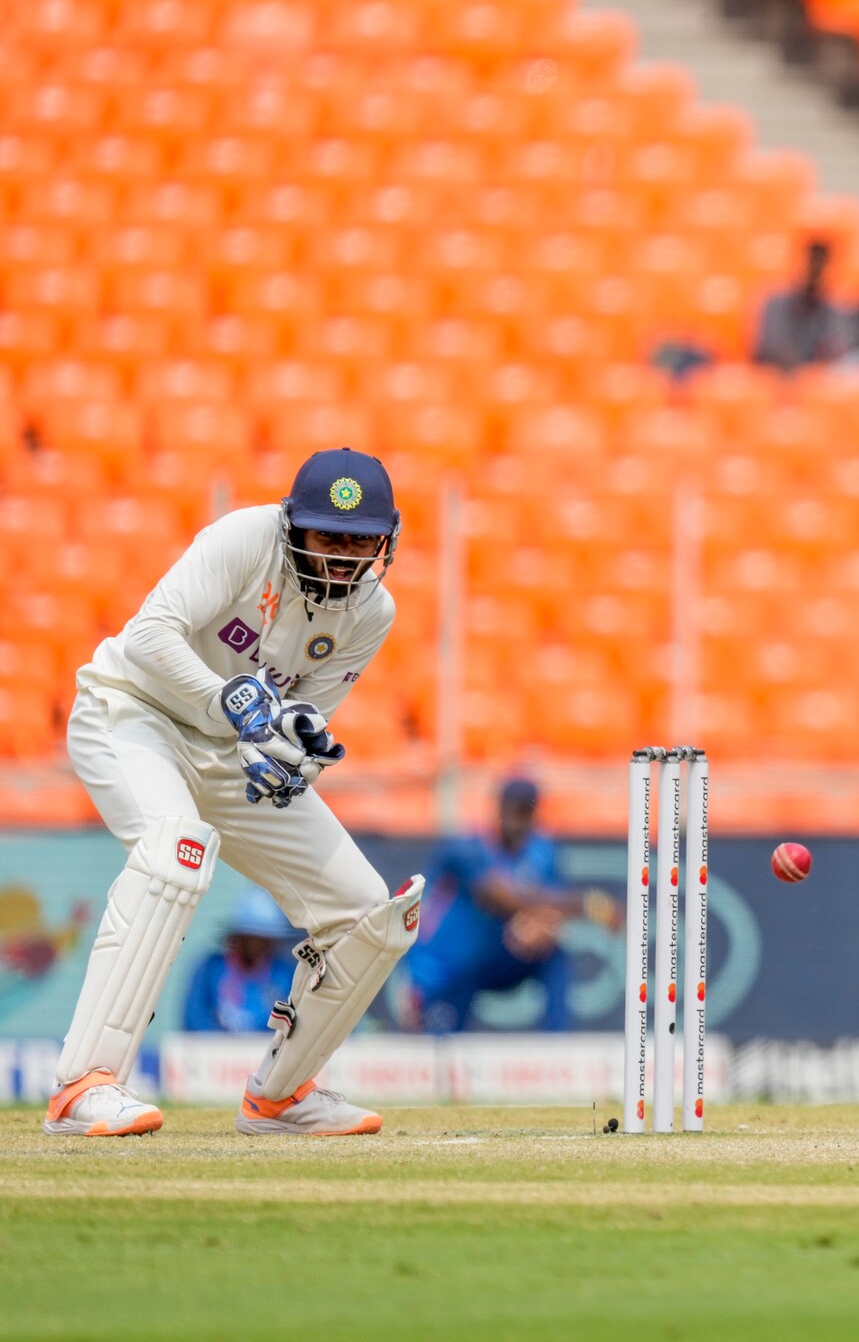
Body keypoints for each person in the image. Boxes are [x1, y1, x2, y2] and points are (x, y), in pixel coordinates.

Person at [46, 446, 422, 1138]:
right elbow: (151, 636)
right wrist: (230, 699)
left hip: (226, 749)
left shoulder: (371, 612)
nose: (343, 555)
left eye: (360, 539)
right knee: (175, 852)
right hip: (133, 714)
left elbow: (295, 713)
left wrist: (292, 749)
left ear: (384, 541)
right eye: (328, 535)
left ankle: (282, 1096)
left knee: (370, 910)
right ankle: (84, 1085)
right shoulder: (244, 539)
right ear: (292, 527)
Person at [405, 776, 614, 1033]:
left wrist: (542, 927)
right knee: (435, 1048)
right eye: (514, 811)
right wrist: (589, 905)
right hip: (446, 968)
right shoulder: (466, 847)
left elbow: (544, 906)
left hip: (496, 958)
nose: (518, 823)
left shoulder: (543, 851)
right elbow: (498, 896)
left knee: (554, 952)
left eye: (526, 814)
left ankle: (559, 1045)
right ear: (499, 808)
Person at [181, 889, 301, 1034]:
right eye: (254, 938)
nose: (261, 945)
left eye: (267, 938)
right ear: (240, 936)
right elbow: (194, 1018)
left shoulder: (284, 973)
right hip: (213, 1053)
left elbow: (289, 1024)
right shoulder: (210, 969)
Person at [751, 238, 859, 370]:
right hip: (783, 375)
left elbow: (845, 345)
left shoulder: (838, 306)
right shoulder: (776, 302)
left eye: (820, 265)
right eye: (811, 263)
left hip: (825, 376)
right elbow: (770, 347)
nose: (815, 272)